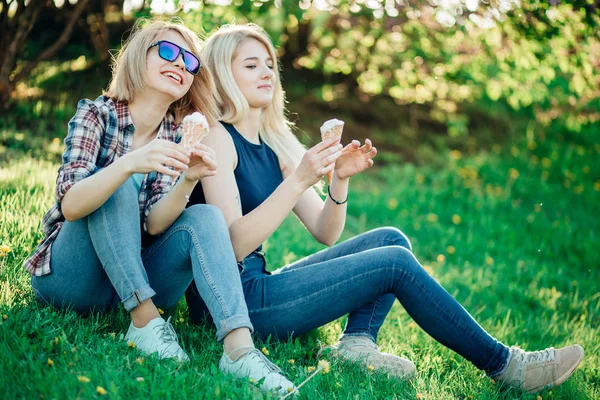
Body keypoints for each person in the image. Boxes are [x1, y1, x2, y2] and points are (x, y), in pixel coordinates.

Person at [184, 23, 584, 394]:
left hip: (260, 285)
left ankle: (356, 345)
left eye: (270, 64)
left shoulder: (274, 143)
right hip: (235, 303)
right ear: (222, 76)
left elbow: (326, 232)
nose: (267, 72)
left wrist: (338, 179)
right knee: (393, 262)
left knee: (392, 239)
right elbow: (231, 246)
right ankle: (507, 365)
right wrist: (297, 182)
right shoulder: (218, 137)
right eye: (251, 65)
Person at [24, 19, 295, 395]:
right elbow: (71, 204)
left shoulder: (178, 132)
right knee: (112, 185)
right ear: (138, 57)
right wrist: (129, 164)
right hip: (74, 281)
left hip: (139, 273)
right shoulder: (96, 115)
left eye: (190, 60)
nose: (181, 63)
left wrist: (187, 178)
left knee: (204, 215)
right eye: (168, 51)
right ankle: (144, 322)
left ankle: (238, 349)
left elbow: (153, 225)